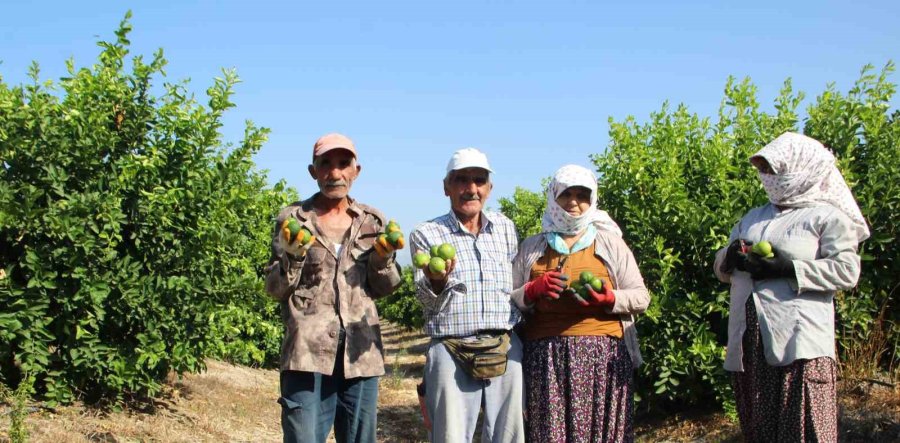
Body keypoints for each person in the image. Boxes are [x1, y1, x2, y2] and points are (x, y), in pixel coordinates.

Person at [714, 132, 869, 442]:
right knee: (761, 431)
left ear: (801, 168)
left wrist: (788, 268)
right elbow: (721, 269)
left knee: (804, 430)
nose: (767, 177)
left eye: (773, 169)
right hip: (751, 343)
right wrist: (729, 256)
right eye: (763, 170)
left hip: (799, 343)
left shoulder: (826, 217)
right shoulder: (753, 217)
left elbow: (847, 271)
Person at [265, 133, 403, 443]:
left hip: (360, 354)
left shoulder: (373, 222)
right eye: (325, 164)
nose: (335, 172)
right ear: (313, 171)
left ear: (356, 170)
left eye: (343, 163)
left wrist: (382, 261)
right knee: (303, 437)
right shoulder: (292, 220)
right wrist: (292, 257)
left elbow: (386, 287)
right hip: (306, 352)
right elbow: (274, 289)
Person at [510, 164, 649, 443]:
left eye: (582, 195)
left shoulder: (610, 243)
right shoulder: (532, 247)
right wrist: (531, 290)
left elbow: (641, 297)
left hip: (603, 358)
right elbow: (509, 301)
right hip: (545, 360)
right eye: (566, 194)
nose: (574, 202)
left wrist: (611, 298)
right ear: (553, 197)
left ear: (592, 199)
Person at [409, 147, 525, 443]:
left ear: (489, 188)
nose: (471, 188)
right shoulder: (427, 233)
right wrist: (437, 282)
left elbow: (515, 287)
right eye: (461, 179)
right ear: (446, 187)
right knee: (450, 435)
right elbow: (425, 300)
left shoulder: (505, 228)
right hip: (450, 347)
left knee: (508, 435)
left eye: (479, 180)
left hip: (504, 345)